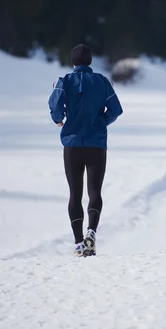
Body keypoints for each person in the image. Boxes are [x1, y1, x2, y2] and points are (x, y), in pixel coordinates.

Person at [48, 44, 123, 257]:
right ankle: (92, 231)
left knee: (75, 194)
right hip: (96, 144)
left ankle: (79, 244)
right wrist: (101, 122)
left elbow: (54, 106)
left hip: (72, 144)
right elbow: (116, 109)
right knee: (95, 192)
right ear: (90, 61)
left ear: (73, 62)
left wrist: (59, 120)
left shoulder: (64, 82)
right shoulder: (102, 81)